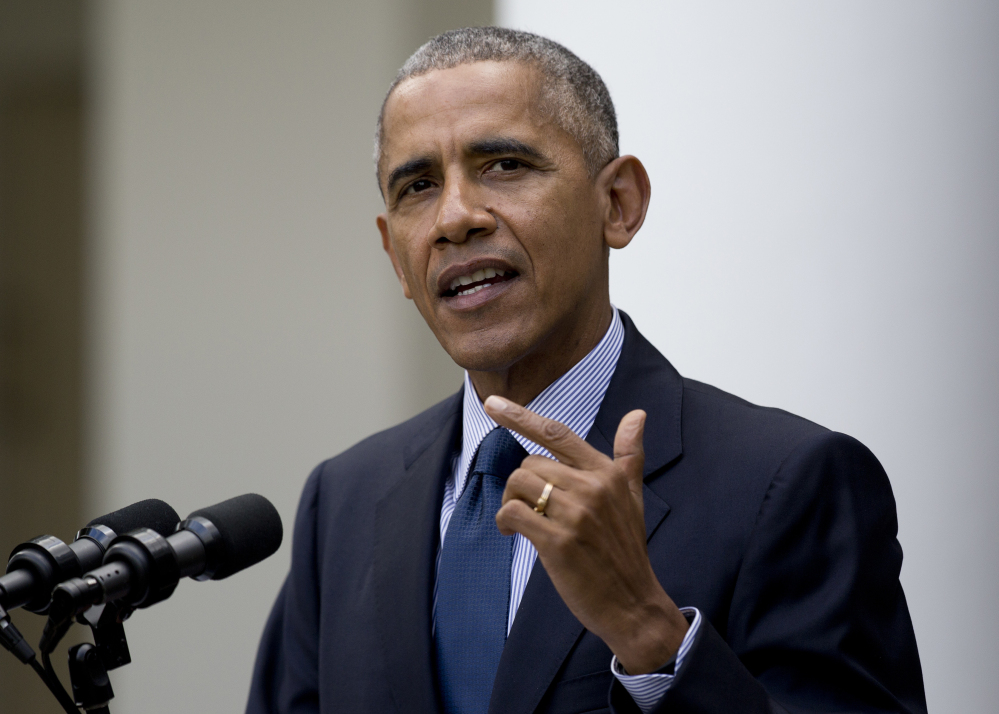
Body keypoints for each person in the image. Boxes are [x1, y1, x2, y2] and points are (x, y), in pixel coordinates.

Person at [246, 27, 926, 714]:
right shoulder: (345, 501)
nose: (454, 218)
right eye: (418, 186)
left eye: (504, 165)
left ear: (617, 203)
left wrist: (648, 632)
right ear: (396, 256)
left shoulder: (789, 483)